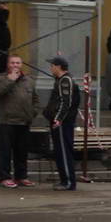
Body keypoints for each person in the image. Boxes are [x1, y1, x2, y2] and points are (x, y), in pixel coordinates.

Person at [0, 55, 40, 188]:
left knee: (22, 152)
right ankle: (5, 177)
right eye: (12, 63)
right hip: (8, 121)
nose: (15, 65)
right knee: (5, 152)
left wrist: (33, 112)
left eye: (18, 63)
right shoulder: (1, 78)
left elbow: (35, 98)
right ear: (8, 65)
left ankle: (21, 176)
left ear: (21, 64)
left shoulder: (29, 79)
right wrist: (10, 80)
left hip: (24, 121)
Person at [44, 56, 80, 191]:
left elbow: (66, 103)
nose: (51, 68)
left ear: (58, 67)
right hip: (59, 121)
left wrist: (58, 119)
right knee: (59, 151)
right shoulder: (60, 80)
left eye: (52, 65)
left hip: (63, 123)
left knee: (64, 152)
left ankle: (69, 182)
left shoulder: (65, 80)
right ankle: (64, 180)